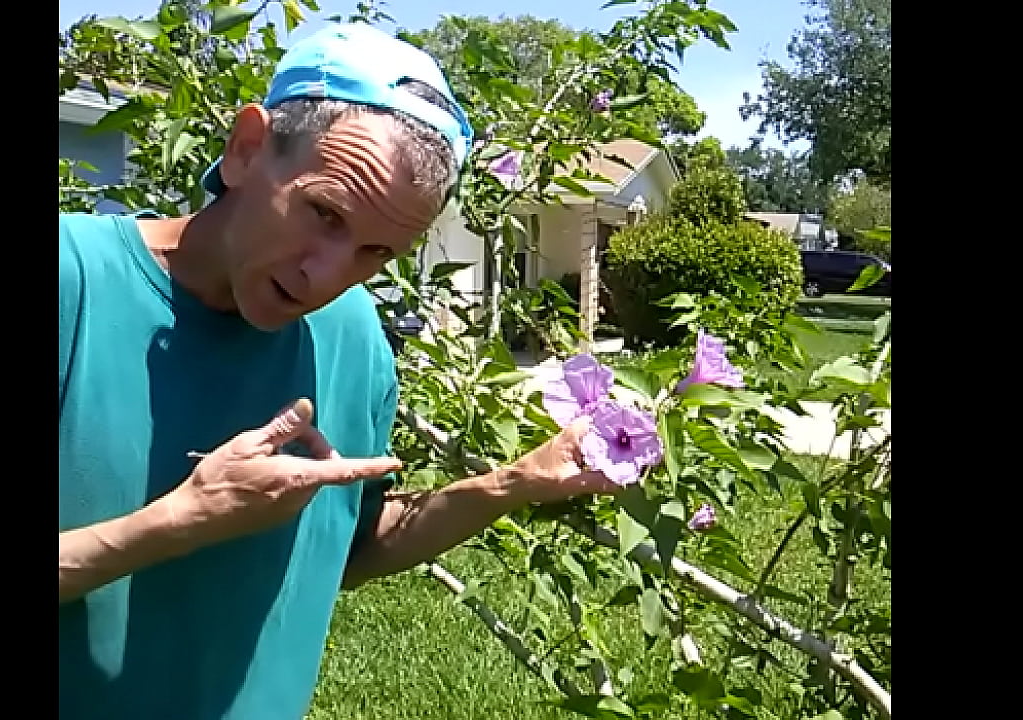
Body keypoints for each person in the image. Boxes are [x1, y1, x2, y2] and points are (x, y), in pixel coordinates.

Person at [58, 22, 617, 720]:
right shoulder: (74, 280)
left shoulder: (352, 338)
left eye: (376, 252)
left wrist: (514, 484)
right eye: (323, 213)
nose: (327, 276)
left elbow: (341, 553)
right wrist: (180, 521)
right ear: (246, 149)